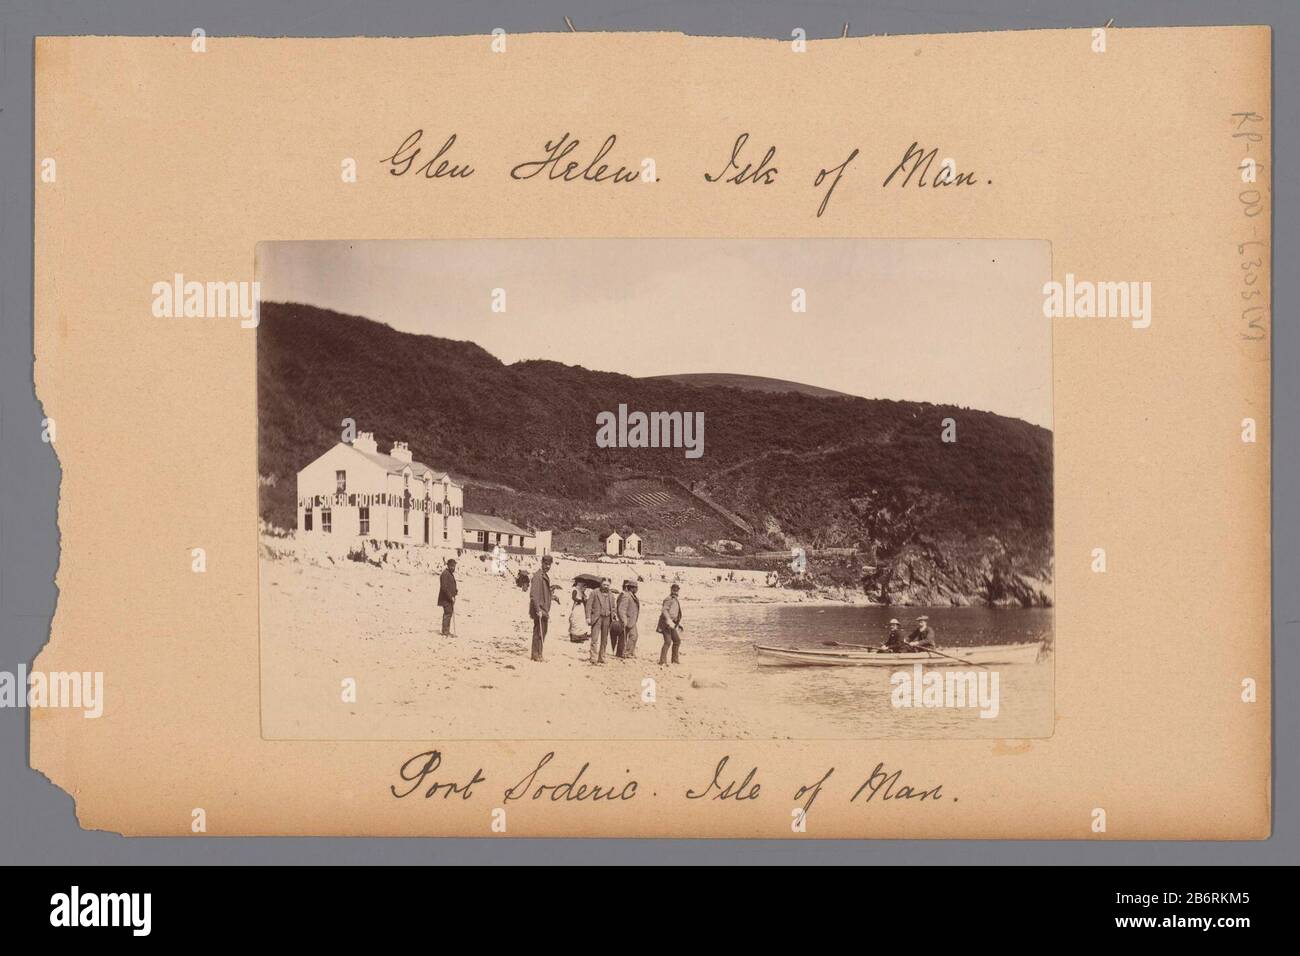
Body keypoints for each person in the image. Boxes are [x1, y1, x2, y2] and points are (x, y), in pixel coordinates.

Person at [528, 555, 555, 662]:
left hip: (544, 609)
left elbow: (544, 593)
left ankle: (538, 654)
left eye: (549, 565)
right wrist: (538, 609)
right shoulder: (538, 576)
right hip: (540, 609)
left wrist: (552, 597)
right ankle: (536, 655)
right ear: (542, 563)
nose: (548, 566)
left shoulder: (544, 576)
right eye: (546, 564)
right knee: (539, 632)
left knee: (542, 632)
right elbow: (533, 595)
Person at [586, 577, 617, 664]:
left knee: (604, 640)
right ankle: (593, 658)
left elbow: (613, 607)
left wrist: (613, 615)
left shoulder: (611, 595)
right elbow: (588, 605)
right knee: (594, 639)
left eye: (607, 585)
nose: (606, 586)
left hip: (607, 619)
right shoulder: (594, 592)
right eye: (604, 585)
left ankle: (601, 657)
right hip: (597, 618)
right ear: (601, 584)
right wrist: (588, 617)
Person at [658, 583, 684, 665]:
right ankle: (662, 661)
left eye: (677, 590)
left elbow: (674, 613)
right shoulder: (668, 599)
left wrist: (678, 624)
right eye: (674, 589)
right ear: (671, 590)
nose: (676, 591)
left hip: (672, 624)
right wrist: (669, 621)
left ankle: (675, 660)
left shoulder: (675, 599)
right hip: (666, 624)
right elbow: (664, 611)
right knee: (668, 641)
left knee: (677, 641)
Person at [616, 579, 641, 658]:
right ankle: (626, 653)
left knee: (633, 636)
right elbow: (621, 609)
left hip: (632, 620)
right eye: (636, 587)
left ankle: (627, 652)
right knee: (631, 636)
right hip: (627, 620)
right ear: (632, 588)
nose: (637, 589)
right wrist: (624, 620)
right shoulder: (626, 596)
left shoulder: (632, 595)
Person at [437, 559, 458, 637]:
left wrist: (455, 592)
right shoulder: (445, 574)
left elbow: (452, 585)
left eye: (454, 566)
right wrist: (450, 597)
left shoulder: (449, 573)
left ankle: (447, 631)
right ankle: (445, 632)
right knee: (447, 613)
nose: (453, 568)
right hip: (445, 598)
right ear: (448, 565)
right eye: (452, 566)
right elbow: (444, 588)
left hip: (449, 598)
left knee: (449, 613)